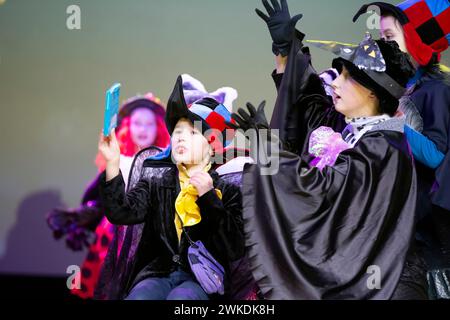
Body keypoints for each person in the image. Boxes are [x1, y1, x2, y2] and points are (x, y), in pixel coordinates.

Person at [229, 0, 424, 299]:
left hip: (389, 285)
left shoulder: (385, 148)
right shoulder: (353, 129)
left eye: (346, 77)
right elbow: (308, 99)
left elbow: (317, 191)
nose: (335, 84)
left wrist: (266, 144)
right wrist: (288, 47)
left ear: (374, 90)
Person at [96, 76, 245, 300]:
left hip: (202, 279)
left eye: (192, 133)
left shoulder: (226, 190)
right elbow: (120, 212)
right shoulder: (158, 183)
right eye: (177, 132)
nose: (181, 138)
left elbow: (234, 248)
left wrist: (208, 198)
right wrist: (113, 163)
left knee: (183, 299)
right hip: (157, 274)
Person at [353, 0, 450, 299]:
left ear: (417, 41)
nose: (385, 45)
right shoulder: (397, 92)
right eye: (382, 38)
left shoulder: (435, 91)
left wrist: (391, 122)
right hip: (399, 229)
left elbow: (436, 155)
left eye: (390, 37)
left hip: (429, 237)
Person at [47, 93, 170, 299]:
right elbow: (99, 198)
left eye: (149, 124)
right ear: (128, 126)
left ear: (158, 126)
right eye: (138, 123)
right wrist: (81, 216)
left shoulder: (165, 161)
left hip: (150, 237)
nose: (143, 129)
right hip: (114, 235)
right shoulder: (118, 160)